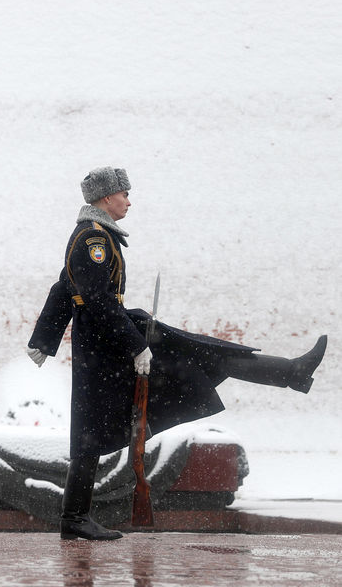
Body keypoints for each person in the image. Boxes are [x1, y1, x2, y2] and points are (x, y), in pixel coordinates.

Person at [26, 166, 327, 541]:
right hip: (107, 344)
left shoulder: (96, 235)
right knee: (89, 432)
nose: (129, 201)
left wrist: (43, 339)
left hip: (110, 337)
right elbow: (93, 298)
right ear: (106, 198)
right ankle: (73, 519)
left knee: (203, 354)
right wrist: (135, 347)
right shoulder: (92, 239)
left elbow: (65, 285)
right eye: (124, 194)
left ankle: (291, 372)